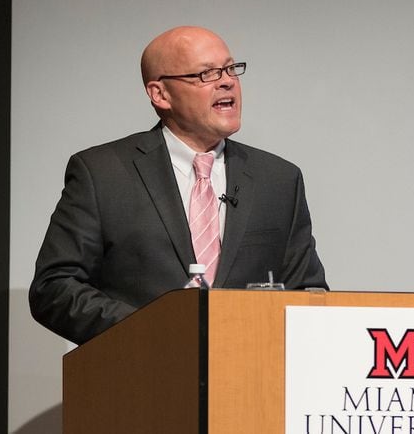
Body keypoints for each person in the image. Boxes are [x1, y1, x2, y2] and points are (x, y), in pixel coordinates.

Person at [29, 26, 328, 344]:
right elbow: (55, 287)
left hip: (249, 380)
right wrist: (153, 329)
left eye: (230, 69)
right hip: (142, 377)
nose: (227, 81)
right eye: (207, 74)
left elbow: (307, 294)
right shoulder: (103, 173)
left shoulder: (278, 180)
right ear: (160, 94)